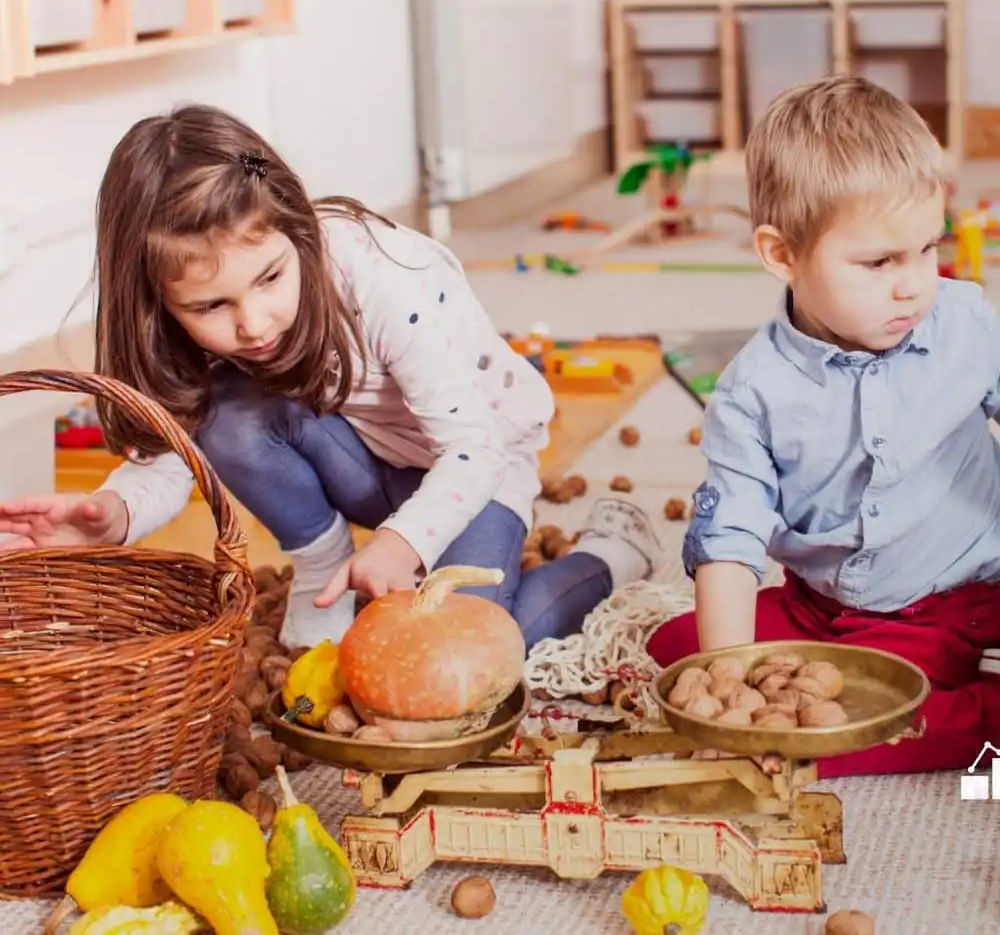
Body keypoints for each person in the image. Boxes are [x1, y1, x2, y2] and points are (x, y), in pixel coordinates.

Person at [0, 105, 660, 649]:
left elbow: (474, 449)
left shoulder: (384, 276)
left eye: (269, 278)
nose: (254, 324)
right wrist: (113, 515)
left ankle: (608, 556)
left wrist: (404, 541)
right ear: (157, 302)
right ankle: (322, 562)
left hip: (472, 465)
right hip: (361, 460)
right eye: (210, 307)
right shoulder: (188, 322)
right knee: (226, 417)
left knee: (481, 641)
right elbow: (181, 454)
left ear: (295, 227)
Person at [645, 76, 1000, 778]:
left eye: (928, 249)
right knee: (675, 650)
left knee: (846, 732)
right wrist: (727, 682)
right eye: (879, 262)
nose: (913, 284)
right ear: (781, 255)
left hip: (947, 612)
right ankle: (924, 698)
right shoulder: (752, 391)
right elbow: (731, 540)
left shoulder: (962, 325)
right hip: (819, 610)